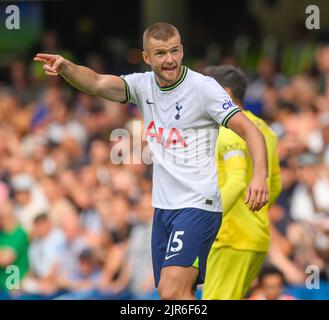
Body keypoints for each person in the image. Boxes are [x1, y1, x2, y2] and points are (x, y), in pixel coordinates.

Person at [34, 22, 269, 300]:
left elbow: (249, 130)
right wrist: (65, 67)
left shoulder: (203, 88)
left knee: (172, 291)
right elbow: (96, 82)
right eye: (160, 53)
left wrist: (259, 176)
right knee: (175, 293)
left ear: (182, 51)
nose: (169, 59)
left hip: (197, 204)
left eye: (174, 51)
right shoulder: (141, 86)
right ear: (147, 57)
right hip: (163, 208)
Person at [202, 65, 282, 300]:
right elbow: (274, 184)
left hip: (229, 237)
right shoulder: (266, 130)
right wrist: (253, 212)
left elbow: (237, 183)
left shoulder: (227, 128)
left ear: (225, 94)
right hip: (256, 239)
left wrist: (205, 219)